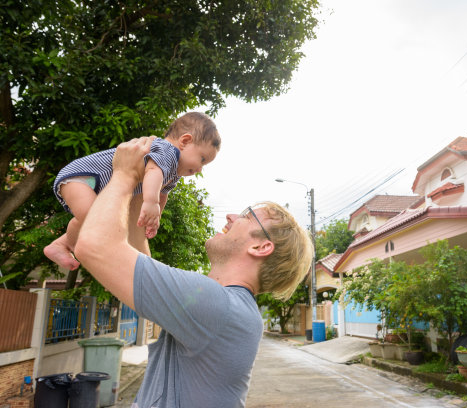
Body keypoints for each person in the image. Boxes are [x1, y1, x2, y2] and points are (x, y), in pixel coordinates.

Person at [73, 136, 314, 407]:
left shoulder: (217, 305)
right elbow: (137, 265)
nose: (231, 217)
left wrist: (124, 173)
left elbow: (95, 247)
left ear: (261, 246)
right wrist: (142, 197)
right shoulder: (225, 307)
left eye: (247, 216)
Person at [44, 112, 220, 271]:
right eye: (202, 159)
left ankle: (63, 243)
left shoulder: (173, 173)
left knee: (93, 218)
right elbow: (153, 171)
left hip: (97, 185)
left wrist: (155, 216)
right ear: (185, 141)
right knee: (96, 219)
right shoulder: (168, 152)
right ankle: (67, 243)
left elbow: (162, 193)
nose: (200, 168)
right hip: (83, 176)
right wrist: (150, 203)